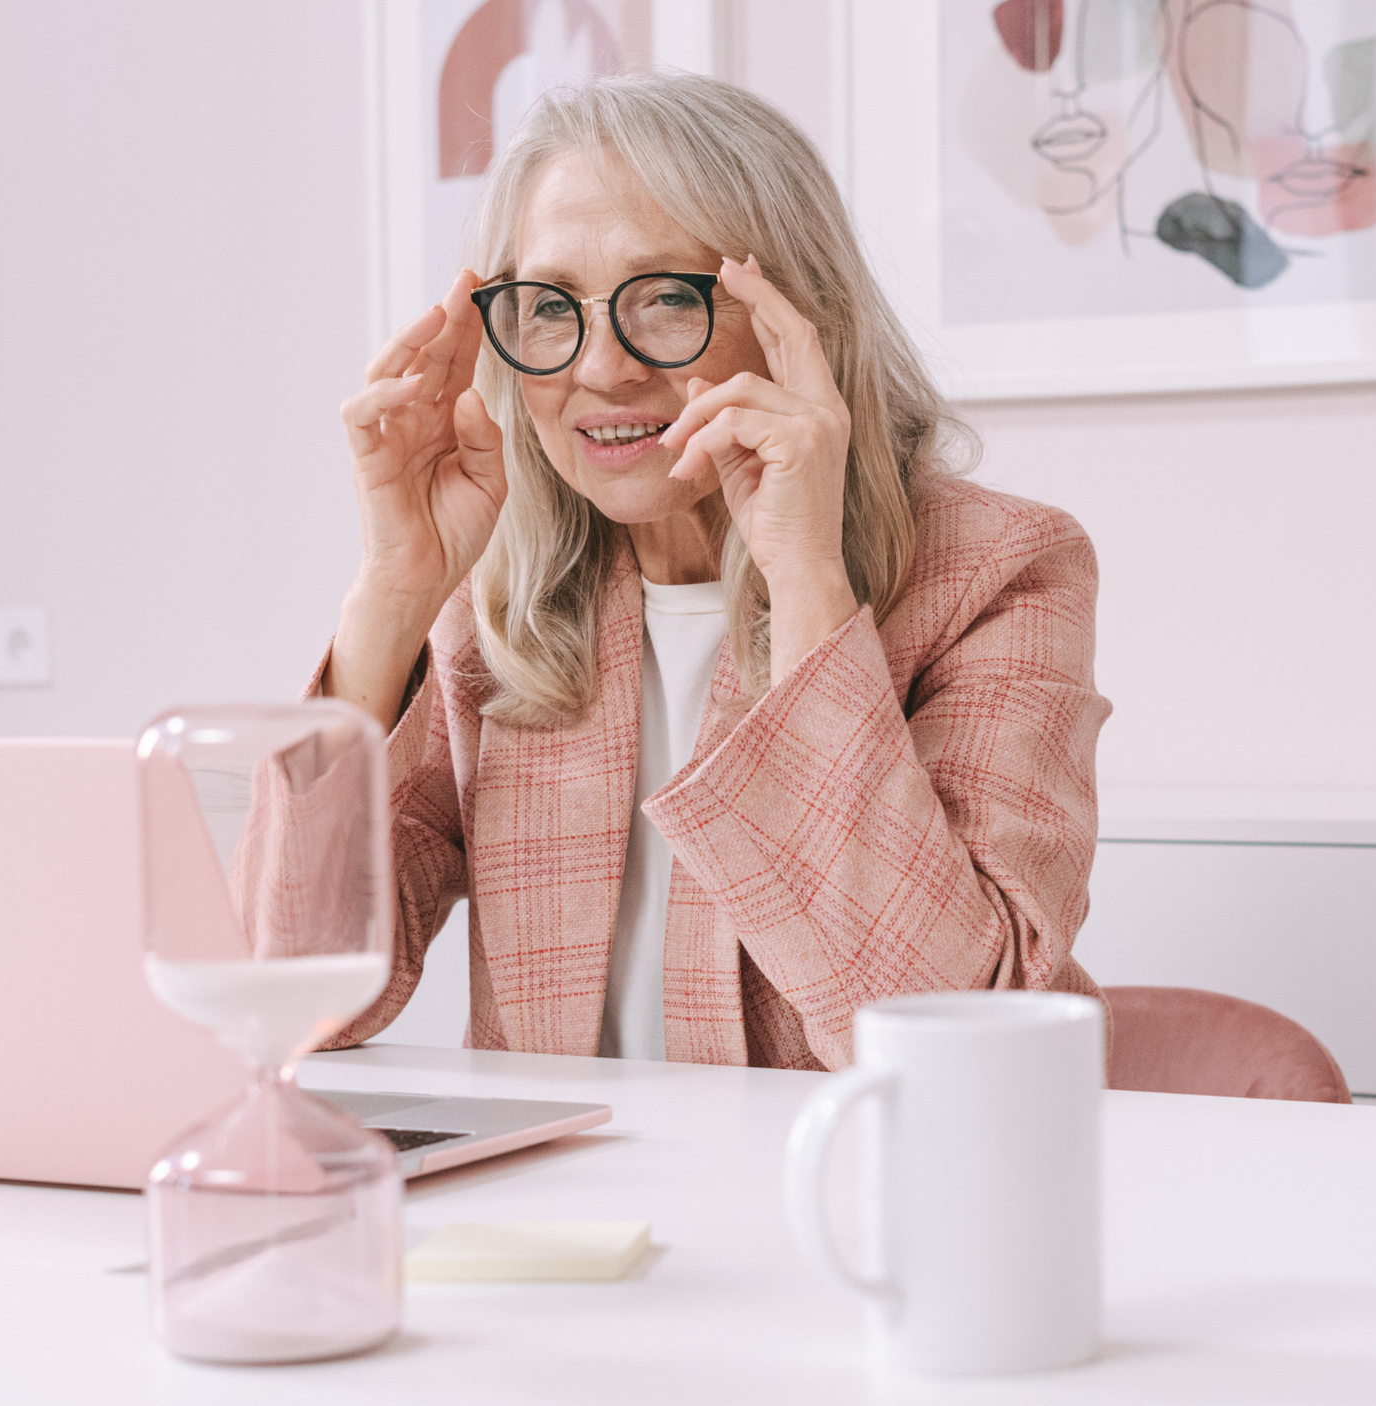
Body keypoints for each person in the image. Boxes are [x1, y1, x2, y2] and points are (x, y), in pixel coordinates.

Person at [319, 72, 1109, 1070]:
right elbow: (300, 999)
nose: (601, 368)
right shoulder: (496, 603)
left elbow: (961, 1043)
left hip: (855, 1206)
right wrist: (390, 593)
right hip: (565, 1216)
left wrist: (807, 578)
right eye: (551, 307)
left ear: (797, 321)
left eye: (663, 299)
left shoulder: (997, 572)